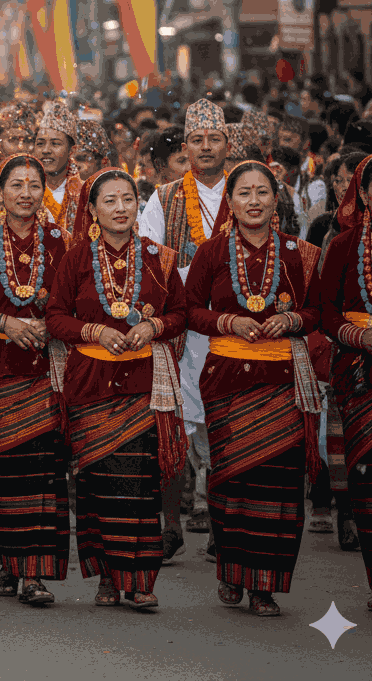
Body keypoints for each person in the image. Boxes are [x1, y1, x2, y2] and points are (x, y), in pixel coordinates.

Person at [184, 161, 323, 616]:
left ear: (275, 198)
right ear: (230, 201)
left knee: (278, 483)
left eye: (263, 192)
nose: (254, 201)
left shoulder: (298, 253)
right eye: (244, 193)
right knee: (231, 478)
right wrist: (227, 321)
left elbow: (320, 311)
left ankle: (264, 585)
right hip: (227, 379)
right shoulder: (210, 252)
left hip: (282, 382)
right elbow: (189, 310)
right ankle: (230, 570)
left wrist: (292, 319)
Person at [44, 169, 187, 611]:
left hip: (144, 384)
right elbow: (54, 317)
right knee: (97, 485)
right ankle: (107, 576)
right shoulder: (75, 259)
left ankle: (141, 581)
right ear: (92, 210)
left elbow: (182, 313)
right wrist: (93, 332)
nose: (120, 208)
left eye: (128, 199)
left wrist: (153, 325)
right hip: (90, 385)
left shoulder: (159, 258)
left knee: (142, 485)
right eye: (109, 200)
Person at [0, 155, 71, 605]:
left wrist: (51, 324)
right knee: (0, 471)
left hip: (44, 371)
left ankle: (34, 574)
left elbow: (75, 302)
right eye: (16, 185)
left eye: (34, 185)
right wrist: (5, 323)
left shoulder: (61, 241)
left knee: (42, 470)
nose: (26, 193)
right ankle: (7, 561)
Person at [139, 99, 230, 558]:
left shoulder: (248, 188)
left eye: (214, 138)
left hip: (234, 331)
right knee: (171, 426)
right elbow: (150, 258)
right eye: (197, 140)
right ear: (187, 147)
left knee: (223, 431)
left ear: (227, 144)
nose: (206, 147)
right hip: (180, 334)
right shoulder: (165, 197)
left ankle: (219, 525)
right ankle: (170, 523)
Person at [320, 152, 372, 613]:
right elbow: (323, 313)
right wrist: (359, 335)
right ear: (363, 195)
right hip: (365, 376)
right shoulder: (344, 247)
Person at [33, 100, 83, 232]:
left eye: (55, 144)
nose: (46, 150)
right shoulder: (22, 191)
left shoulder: (87, 193)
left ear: (72, 151)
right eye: (40, 144)